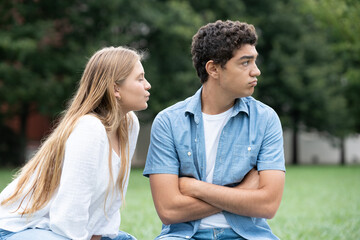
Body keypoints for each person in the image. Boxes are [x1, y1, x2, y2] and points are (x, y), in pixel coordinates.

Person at [143, 20, 285, 240]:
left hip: (249, 235)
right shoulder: (168, 122)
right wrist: (243, 192)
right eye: (245, 63)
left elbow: (268, 205)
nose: (256, 71)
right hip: (184, 235)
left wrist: (195, 188)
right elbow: (169, 211)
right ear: (213, 69)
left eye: (254, 61)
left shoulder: (266, 119)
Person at [0, 46, 151, 240]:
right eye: (140, 78)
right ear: (115, 89)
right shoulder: (90, 129)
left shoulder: (129, 124)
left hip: (63, 229)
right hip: (18, 229)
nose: (147, 85)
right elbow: (70, 213)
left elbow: (112, 200)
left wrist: (97, 236)